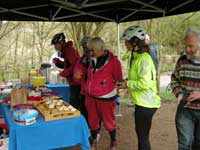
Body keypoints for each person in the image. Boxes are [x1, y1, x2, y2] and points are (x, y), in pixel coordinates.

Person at [117, 25, 161, 150]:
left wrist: (127, 84)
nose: (125, 44)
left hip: (147, 104)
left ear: (135, 42)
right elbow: (138, 78)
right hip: (143, 103)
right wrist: (125, 81)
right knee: (142, 136)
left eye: (127, 41)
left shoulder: (144, 59)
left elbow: (145, 84)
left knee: (143, 138)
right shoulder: (137, 57)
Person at [84, 37, 123, 150]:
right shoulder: (91, 59)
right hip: (90, 97)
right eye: (89, 50)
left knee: (108, 121)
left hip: (106, 97)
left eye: (92, 50)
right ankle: (95, 140)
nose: (90, 53)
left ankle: (113, 141)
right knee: (93, 121)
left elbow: (119, 79)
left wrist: (116, 93)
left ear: (100, 49)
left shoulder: (114, 62)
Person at [170, 27, 200, 150]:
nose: (187, 50)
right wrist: (179, 93)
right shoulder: (182, 61)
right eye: (186, 46)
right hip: (185, 109)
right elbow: (174, 79)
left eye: (191, 46)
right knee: (184, 144)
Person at [51, 32, 81, 109]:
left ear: (61, 43)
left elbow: (73, 67)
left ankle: (78, 120)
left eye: (56, 45)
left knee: (74, 106)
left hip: (77, 83)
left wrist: (62, 74)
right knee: (74, 104)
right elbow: (67, 65)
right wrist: (58, 62)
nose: (55, 47)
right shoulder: (66, 51)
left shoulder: (70, 51)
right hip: (74, 82)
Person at [73, 36, 92, 122]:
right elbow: (77, 72)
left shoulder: (98, 59)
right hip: (84, 91)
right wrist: (76, 76)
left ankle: (95, 132)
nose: (85, 50)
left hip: (95, 92)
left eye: (87, 47)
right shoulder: (82, 60)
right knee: (84, 112)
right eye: (84, 47)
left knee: (93, 114)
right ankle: (87, 131)